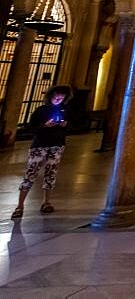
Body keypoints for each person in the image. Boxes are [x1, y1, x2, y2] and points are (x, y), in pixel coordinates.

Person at [11, 85, 72, 218]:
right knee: (30, 173)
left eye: (61, 98)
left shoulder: (65, 110)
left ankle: (46, 202)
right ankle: (20, 206)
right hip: (39, 145)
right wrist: (44, 126)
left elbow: (72, 125)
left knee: (51, 173)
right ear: (50, 96)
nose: (58, 100)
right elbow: (30, 128)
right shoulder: (41, 110)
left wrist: (65, 125)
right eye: (56, 97)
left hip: (57, 145)